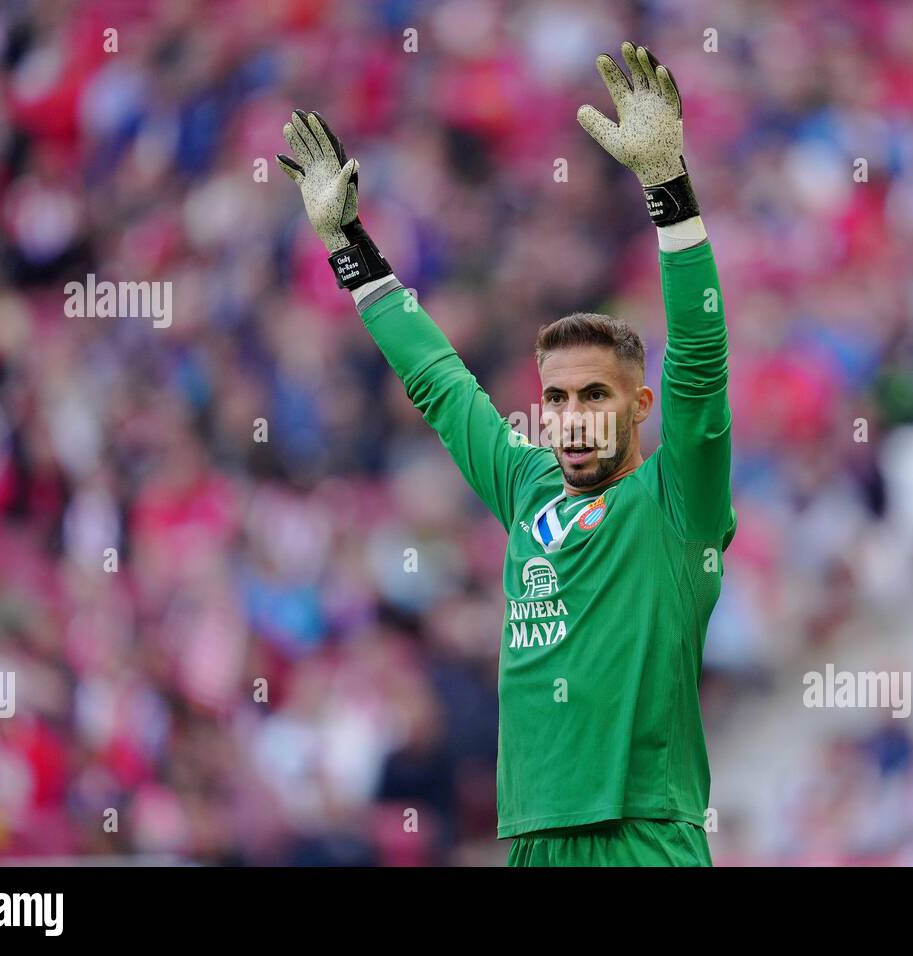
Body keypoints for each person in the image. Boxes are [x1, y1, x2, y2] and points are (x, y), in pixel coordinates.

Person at [279, 41, 735, 866]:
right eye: (556, 398)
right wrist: (349, 246)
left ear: (636, 405)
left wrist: (670, 191)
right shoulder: (528, 492)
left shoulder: (677, 501)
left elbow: (699, 368)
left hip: (642, 838)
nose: (570, 415)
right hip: (531, 840)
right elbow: (442, 388)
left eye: (595, 395)